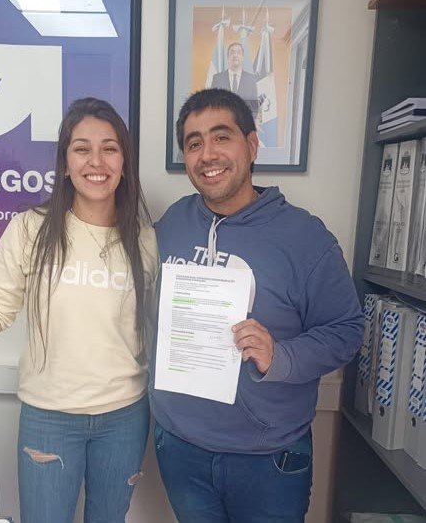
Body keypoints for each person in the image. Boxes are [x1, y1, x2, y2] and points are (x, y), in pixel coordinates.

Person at [0, 98, 159, 523]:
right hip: (49, 417)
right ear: (65, 163)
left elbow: (161, 325)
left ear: (124, 162)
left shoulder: (144, 239)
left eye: (109, 148)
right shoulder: (31, 228)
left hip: (124, 417)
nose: (96, 161)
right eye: (82, 149)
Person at [150, 88, 363, 523]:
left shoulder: (305, 238)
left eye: (221, 137)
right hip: (180, 447)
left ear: (251, 145)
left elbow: (347, 330)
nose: (208, 154)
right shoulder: (172, 224)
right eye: (194, 143)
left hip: (267, 458)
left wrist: (278, 355)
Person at [211, 42, 259, 115]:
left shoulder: (251, 79)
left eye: (238, 53)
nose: (235, 55)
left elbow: (254, 109)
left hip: (244, 121)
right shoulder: (217, 78)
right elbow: (213, 104)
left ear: (242, 57)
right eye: (232, 52)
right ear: (228, 57)